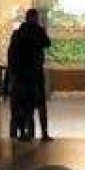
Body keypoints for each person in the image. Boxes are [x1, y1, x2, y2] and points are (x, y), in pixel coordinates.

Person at [7, 8, 53, 141]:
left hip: (22, 74)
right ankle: (43, 133)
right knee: (39, 104)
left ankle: (24, 133)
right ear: (34, 18)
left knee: (24, 103)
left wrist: (12, 72)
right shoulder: (37, 31)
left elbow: (11, 53)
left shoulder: (18, 33)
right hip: (34, 73)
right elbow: (47, 43)